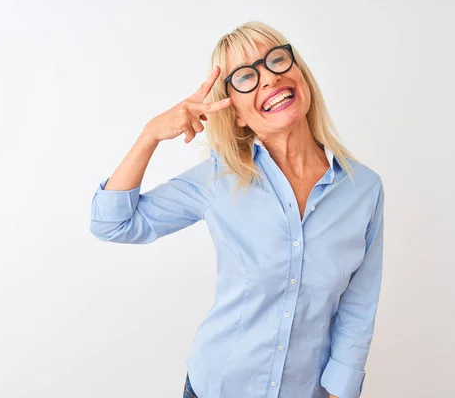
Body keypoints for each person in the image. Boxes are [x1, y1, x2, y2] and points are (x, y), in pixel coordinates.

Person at [90, 20, 385, 398]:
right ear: (238, 114)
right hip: (217, 387)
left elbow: (358, 305)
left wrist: (339, 391)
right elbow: (112, 224)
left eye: (276, 60)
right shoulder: (219, 177)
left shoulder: (363, 189)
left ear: (301, 75)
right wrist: (150, 135)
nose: (268, 80)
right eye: (245, 77)